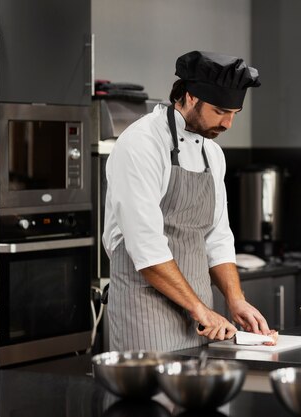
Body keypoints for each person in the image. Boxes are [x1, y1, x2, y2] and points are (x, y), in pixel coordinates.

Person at [102, 51, 270, 351]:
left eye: (234, 113)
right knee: (152, 396)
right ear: (191, 97)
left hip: (201, 315)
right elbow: (146, 247)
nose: (228, 123)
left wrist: (235, 300)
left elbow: (217, 238)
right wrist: (200, 309)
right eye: (220, 111)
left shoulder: (213, 154)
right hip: (144, 309)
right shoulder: (141, 144)